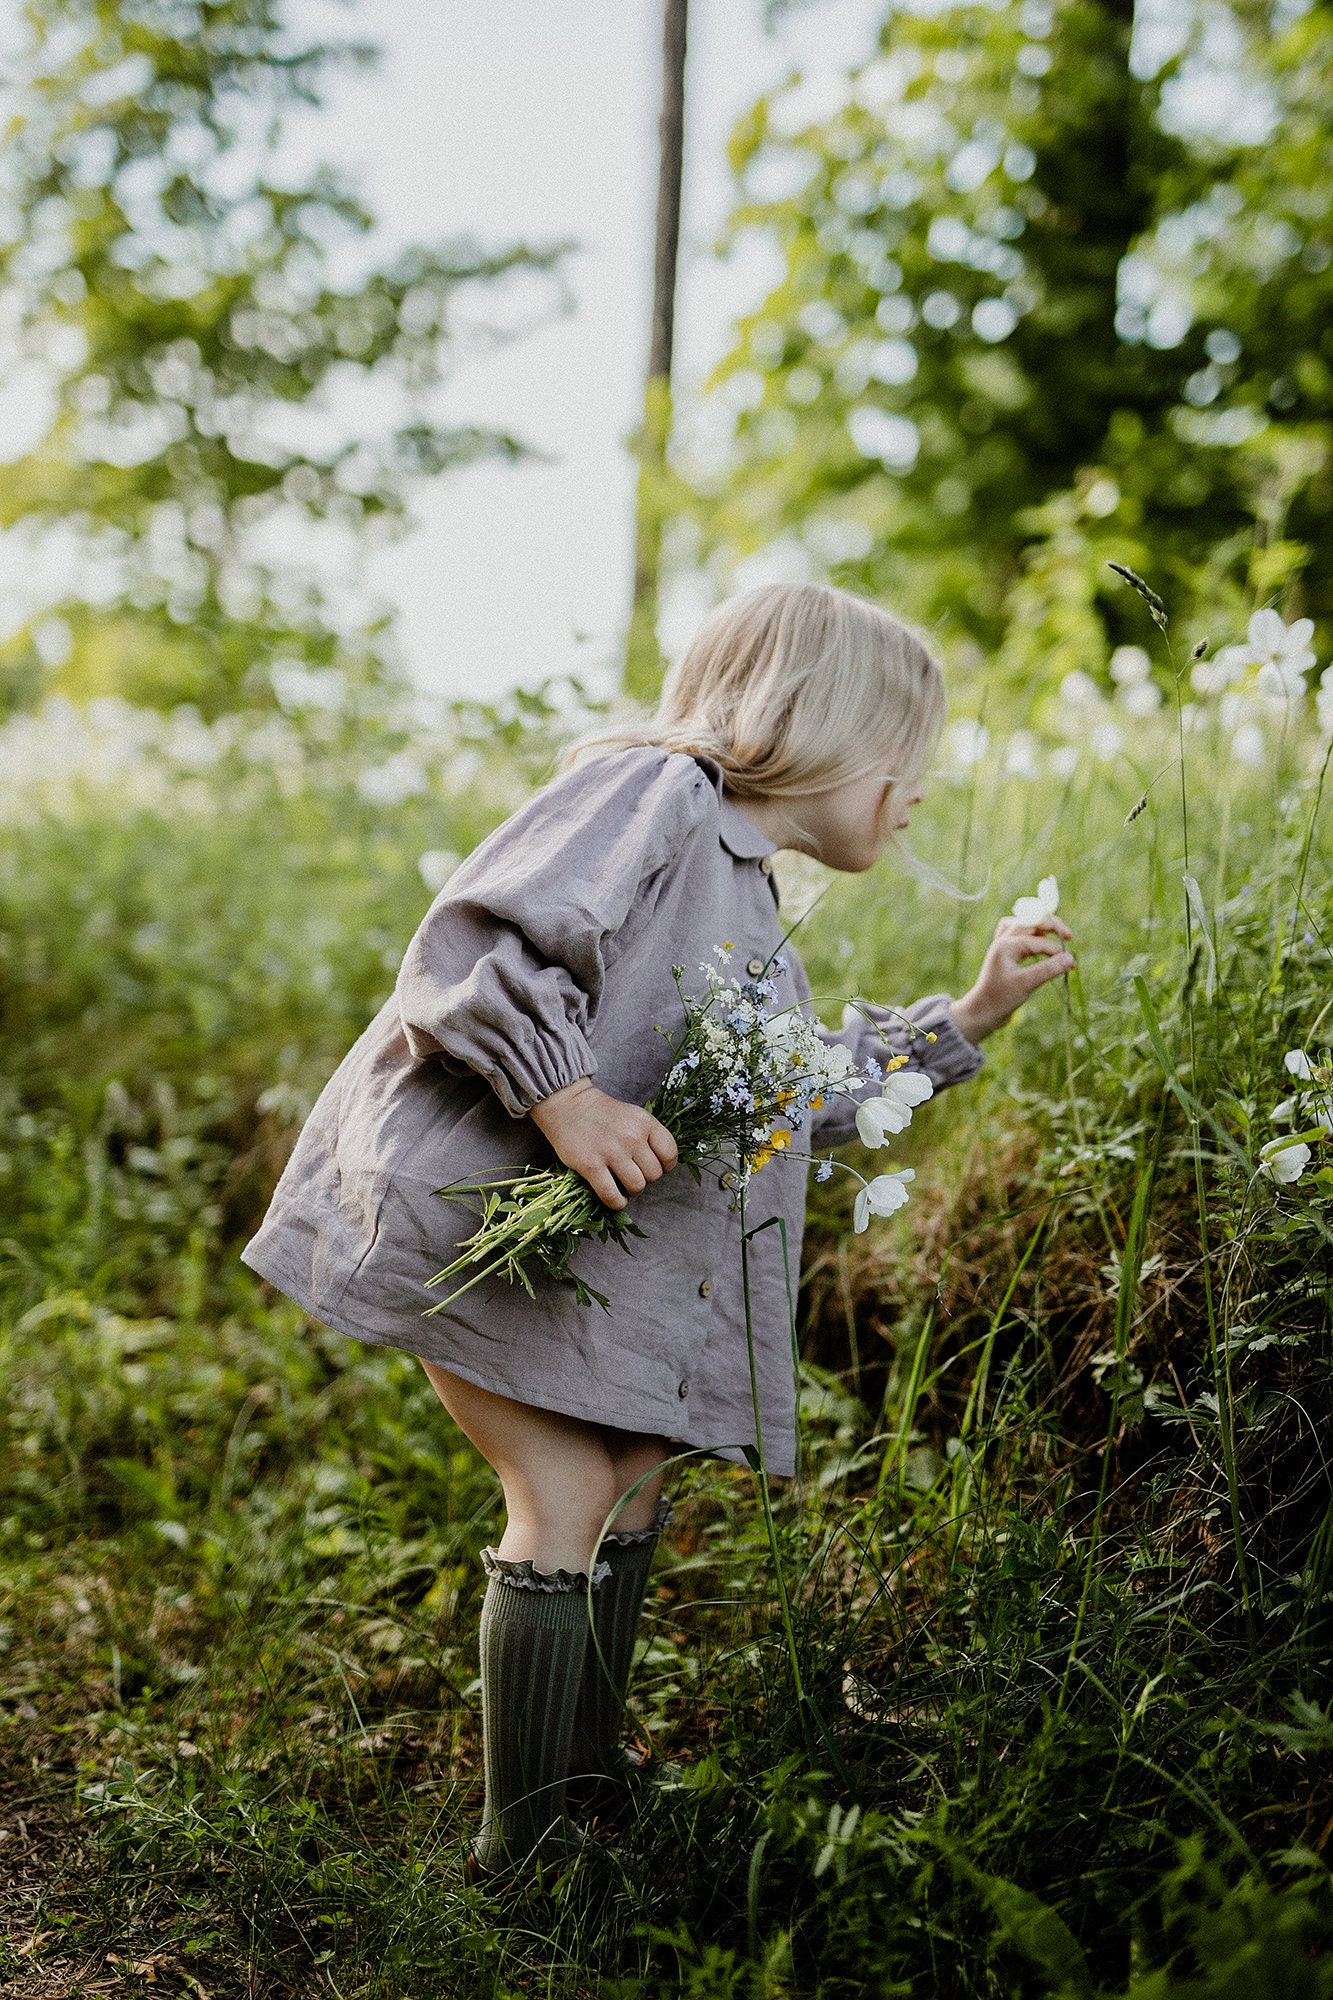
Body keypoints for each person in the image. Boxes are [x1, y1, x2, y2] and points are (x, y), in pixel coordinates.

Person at [241, 582, 1074, 1873]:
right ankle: (521, 1853)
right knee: (569, 1485)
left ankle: (578, 1773)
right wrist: (563, 1096)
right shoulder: (655, 794)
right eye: (908, 764)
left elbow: (783, 1094)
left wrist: (960, 1022)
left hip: (573, 1261)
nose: (916, 795)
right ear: (832, 731)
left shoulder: (746, 902)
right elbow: (473, 944)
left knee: (629, 1477)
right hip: (475, 1222)